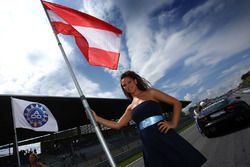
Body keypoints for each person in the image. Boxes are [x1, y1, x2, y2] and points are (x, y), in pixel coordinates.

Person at [92, 70, 207, 167]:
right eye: (124, 85)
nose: (128, 86)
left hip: (164, 135)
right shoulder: (130, 107)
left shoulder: (151, 92)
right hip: (148, 144)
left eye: (129, 82)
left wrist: (173, 123)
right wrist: (97, 118)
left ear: (135, 81)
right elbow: (117, 125)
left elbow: (176, 103)